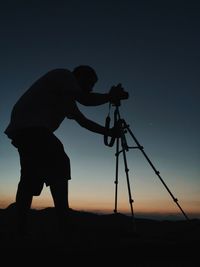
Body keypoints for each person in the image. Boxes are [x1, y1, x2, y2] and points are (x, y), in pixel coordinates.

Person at [4, 65, 128, 236]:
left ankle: (21, 229)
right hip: (32, 128)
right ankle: (64, 224)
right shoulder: (63, 75)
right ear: (79, 77)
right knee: (59, 161)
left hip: (24, 130)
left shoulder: (66, 97)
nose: (90, 88)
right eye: (90, 83)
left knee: (30, 177)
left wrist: (108, 132)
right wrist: (109, 97)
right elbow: (85, 99)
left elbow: (84, 121)